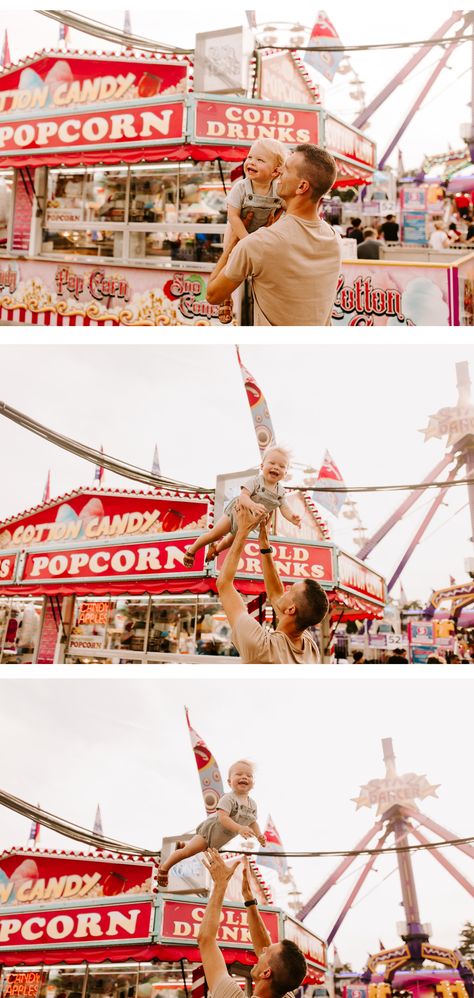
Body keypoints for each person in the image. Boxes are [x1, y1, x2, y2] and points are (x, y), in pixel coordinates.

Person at [206, 144, 342, 326]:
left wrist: (232, 245)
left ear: (302, 186)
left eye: (285, 170)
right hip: (316, 349)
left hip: (271, 351)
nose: (279, 173)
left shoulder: (259, 244)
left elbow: (213, 295)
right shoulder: (334, 239)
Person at [216, 505, 329, 663]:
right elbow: (276, 595)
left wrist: (242, 531)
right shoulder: (309, 648)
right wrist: (264, 545)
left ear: (291, 609)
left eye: (290, 591)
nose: (286, 589)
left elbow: (224, 584)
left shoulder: (261, 647)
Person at [198, 851, 307, 998]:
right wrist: (249, 901)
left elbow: (206, 939)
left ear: (266, 973)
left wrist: (220, 884)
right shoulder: (284, 990)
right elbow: (272, 958)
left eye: (266, 951)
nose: (262, 948)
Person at [183, 446, 300, 566]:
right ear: (262, 466)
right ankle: (191, 550)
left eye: (281, 466)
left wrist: (292, 518)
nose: (276, 467)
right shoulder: (255, 482)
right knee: (215, 534)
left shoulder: (280, 491)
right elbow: (243, 496)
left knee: (230, 541)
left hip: (248, 522)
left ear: (285, 473)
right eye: (272, 463)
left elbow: (284, 507)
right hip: (236, 513)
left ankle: (216, 549)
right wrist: (253, 505)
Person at [157, 759, 265, 887]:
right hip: (209, 833)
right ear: (229, 782)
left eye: (249, 775)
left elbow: (253, 822)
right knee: (188, 852)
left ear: (253, 784)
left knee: (216, 865)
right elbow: (223, 818)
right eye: (239, 774)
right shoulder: (229, 798)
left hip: (221, 839)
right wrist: (240, 828)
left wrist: (259, 836)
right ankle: (164, 867)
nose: (244, 777)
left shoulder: (252, 804)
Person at [214, 140, 287, 323]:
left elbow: (288, 209)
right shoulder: (241, 187)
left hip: (261, 233)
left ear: (276, 171)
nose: (251, 162)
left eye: (260, 160)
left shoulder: (277, 191)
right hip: (237, 231)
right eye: (250, 157)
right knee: (229, 260)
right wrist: (245, 239)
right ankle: (225, 296)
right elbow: (233, 216)